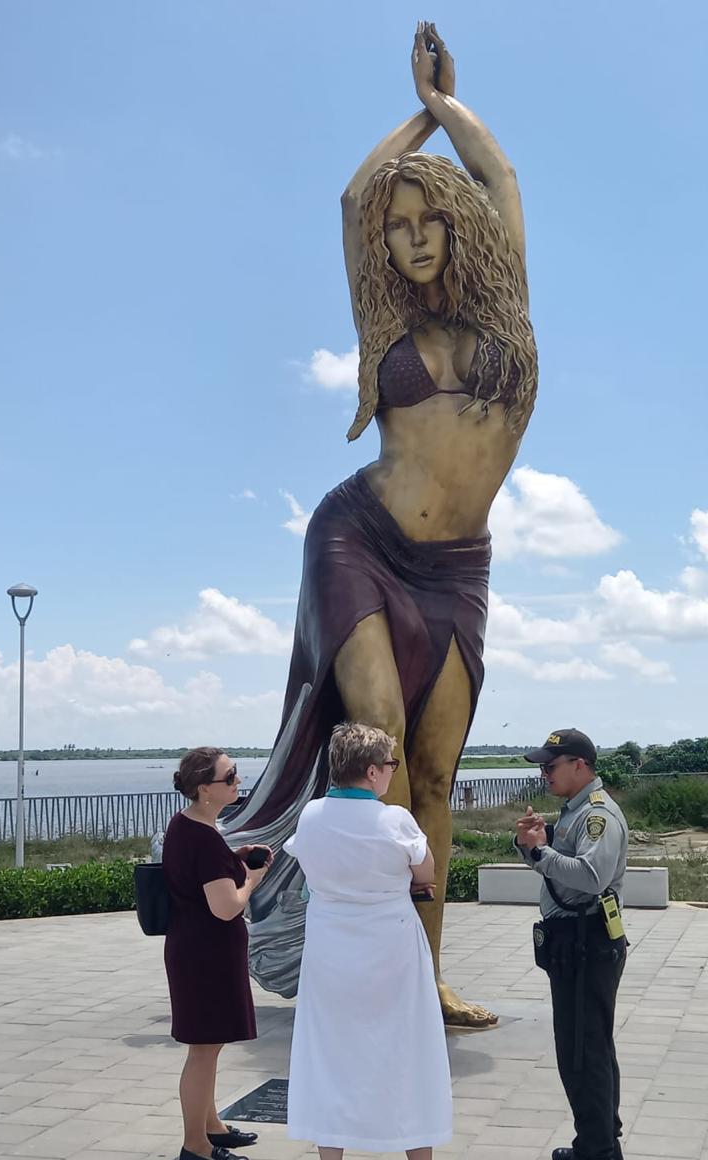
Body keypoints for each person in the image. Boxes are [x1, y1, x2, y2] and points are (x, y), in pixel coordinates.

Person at [224, 22, 538, 1029]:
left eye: (424, 220)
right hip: (358, 540)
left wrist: (453, 110)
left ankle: (423, 976)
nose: (405, 235)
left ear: (457, 225)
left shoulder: (506, 322)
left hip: (456, 571)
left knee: (436, 779)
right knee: (385, 756)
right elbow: (355, 198)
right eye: (399, 226)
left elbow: (504, 177)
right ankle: (365, 969)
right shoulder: (386, 327)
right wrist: (414, 111)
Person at [285, 722, 460, 1160]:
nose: (391, 774)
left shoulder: (313, 815)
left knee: (329, 1055)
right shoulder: (396, 820)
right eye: (390, 765)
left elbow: (308, 862)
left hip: (329, 950)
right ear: (371, 771)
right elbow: (425, 872)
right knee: (410, 1051)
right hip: (390, 949)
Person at [515, 730, 629, 1160]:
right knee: (593, 1047)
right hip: (577, 941)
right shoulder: (576, 812)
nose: (544, 774)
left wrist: (540, 854)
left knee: (582, 1054)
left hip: (588, 941)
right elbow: (561, 867)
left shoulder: (598, 815)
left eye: (551, 765)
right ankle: (602, 1142)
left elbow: (590, 876)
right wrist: (532, 847)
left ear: (580, 765)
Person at [162, 748, 272, 1160]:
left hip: (197, 949)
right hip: (205, 954)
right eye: (230, 778)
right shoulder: (203, 838)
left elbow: (200, 875)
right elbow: (226, 907)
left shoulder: (188, 827)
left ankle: (211, 1126)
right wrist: (251, 879)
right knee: (203, 1050)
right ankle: (196, 1145)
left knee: (209, 1046)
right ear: (205, 789)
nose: (237, 782)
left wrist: (233, 859)